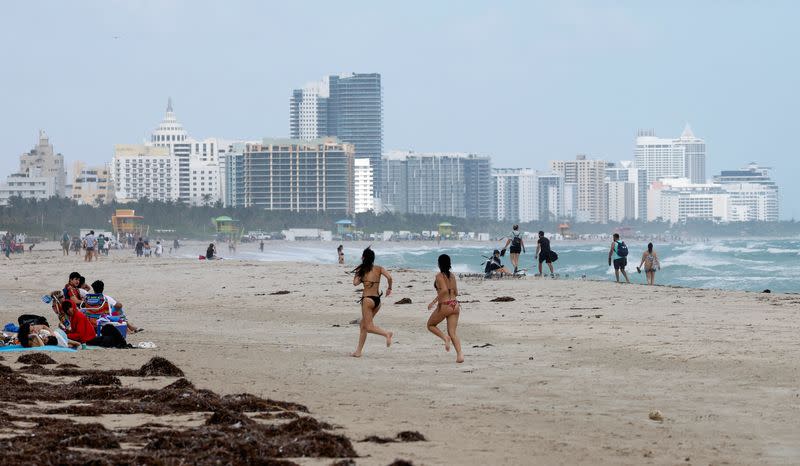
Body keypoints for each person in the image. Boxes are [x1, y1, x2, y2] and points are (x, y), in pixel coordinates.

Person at [351, 247, 393, 358]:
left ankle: (386, 334)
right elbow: (389, 277)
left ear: (363, 258)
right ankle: (358, 352)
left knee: (368, 327)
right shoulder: (379, 268)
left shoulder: (362, 270)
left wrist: (358, 274)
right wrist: (389, 288)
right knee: (363, 325)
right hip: (377, 301)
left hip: (367, 300)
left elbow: (355, 283)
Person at [426, 254, 464, 363]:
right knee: (453, 332)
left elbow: (443, 291)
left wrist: (433, 302)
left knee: (430, 325)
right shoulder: (452, 276)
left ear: (439, 263)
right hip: (455, 304)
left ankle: (444, 338)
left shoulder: (439, 276)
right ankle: (460, 355)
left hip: (445, 305)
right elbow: (456, 292)